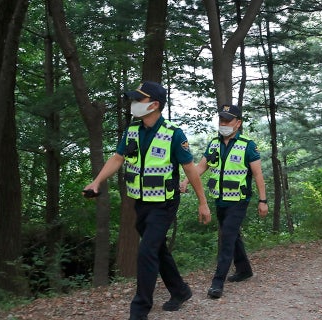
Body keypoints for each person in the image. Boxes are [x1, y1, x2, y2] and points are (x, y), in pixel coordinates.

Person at [83, 81, 211, 319]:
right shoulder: (132, 130)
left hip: (165, 203)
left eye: (138, 100)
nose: (133, 104)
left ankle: (140, 308)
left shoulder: (174, 133)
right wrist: (97, 181)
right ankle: (180, 290)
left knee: (146, 251)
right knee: (156, 249)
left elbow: (190, 169)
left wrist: (202, 202)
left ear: (154, 105)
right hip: (140, 202)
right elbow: (118, 158)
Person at [179, 103, 268, 299]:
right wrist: (185, 180)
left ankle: (217, 282)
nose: (224, 123)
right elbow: (201, 167)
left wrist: (263, 200)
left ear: (238, 123)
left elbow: (258, 174)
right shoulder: (213, 144)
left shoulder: (248, 145)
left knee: (226, 238)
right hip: (219, 199)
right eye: (221, 120)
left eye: (228, 120)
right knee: (232, 235)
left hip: (239, 200)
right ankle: (244, 270)